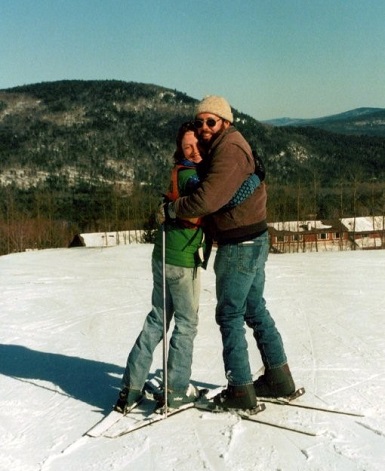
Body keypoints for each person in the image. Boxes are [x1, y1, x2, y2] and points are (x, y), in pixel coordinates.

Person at [163, 96, 296, 411]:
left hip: (240, 243)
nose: (204, 128)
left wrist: (172, 209)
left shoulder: (228, 149)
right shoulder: (226, 145)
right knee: (254, 309)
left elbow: (209, 199)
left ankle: (240, 389)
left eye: (211, 121)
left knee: (230, 314)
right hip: (252, 238)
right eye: (200, 122)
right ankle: (279, 379)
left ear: (225, 121)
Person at [114, 122, 208, 413]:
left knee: (157, 318)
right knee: (187, 323)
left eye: (196, 146)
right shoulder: (193, 175)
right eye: (187, 147)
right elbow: (198, 205)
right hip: (181, 258)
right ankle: (176, 389)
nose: (192, 151)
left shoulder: (179, 170)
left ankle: (131, 388)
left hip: (162, 254)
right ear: (180, 149)